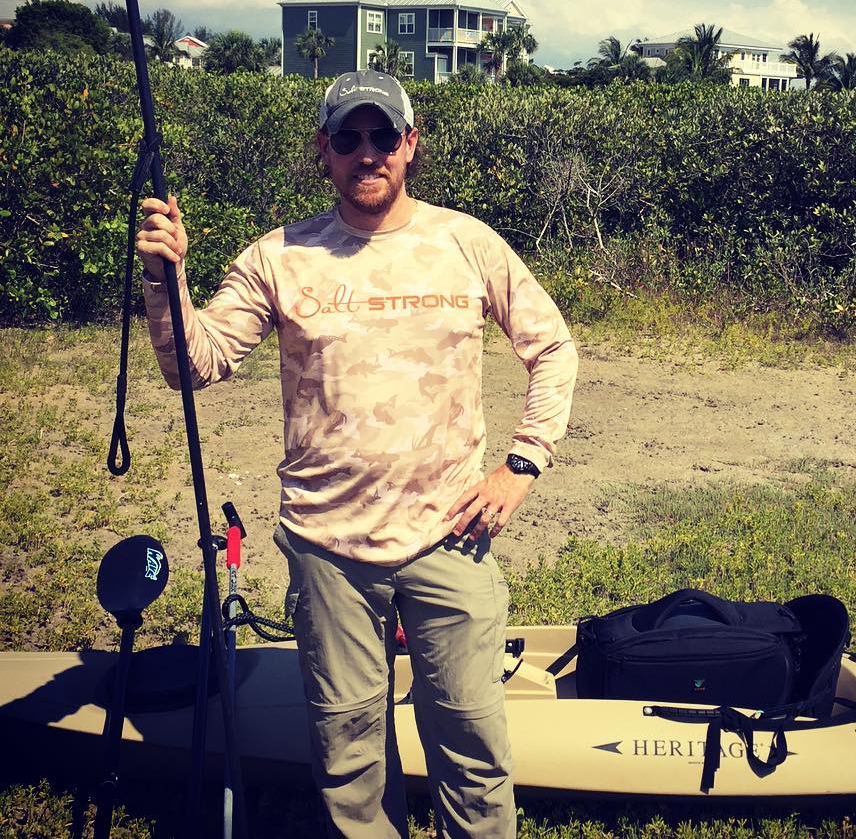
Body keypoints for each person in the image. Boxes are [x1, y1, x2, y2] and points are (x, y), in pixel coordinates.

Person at [136, 70, 578, 838]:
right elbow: (193, 365)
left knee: (473, 747)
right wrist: (162, 276)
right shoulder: (280, 256)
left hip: (452, 539)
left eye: (382, 136)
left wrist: (522, 463)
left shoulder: (466, 242)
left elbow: (553, 348)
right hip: (327, 548)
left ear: (410, 144)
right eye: (348, 137)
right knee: (348, 759)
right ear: (324, 150)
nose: (366, 152)